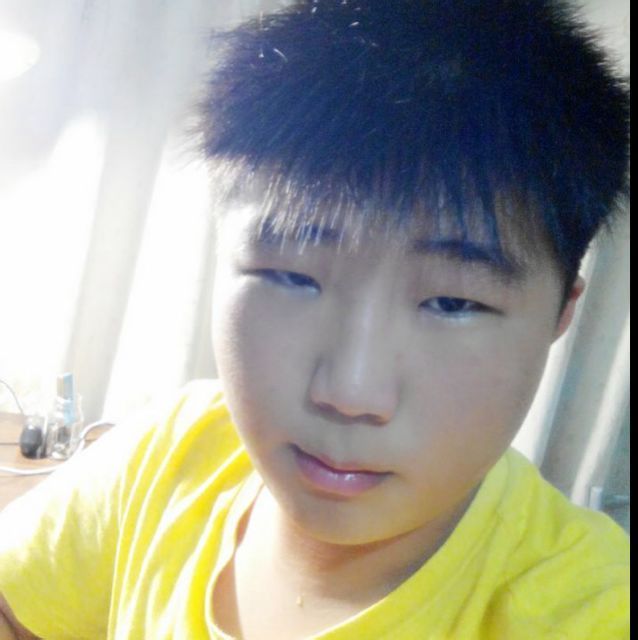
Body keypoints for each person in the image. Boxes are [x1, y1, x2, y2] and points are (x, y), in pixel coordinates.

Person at [0, 0, 630, 638]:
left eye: (454, 303)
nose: (350, 393)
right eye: (293, 276)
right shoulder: (177, 451)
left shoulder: (590, 607)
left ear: (561, 313)